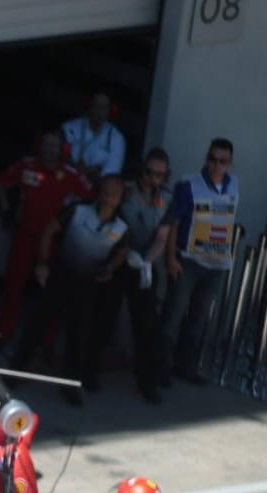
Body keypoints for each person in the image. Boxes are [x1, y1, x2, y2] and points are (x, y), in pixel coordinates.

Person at [22, 174, 130, 404]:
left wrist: (110, 267)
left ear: (121, 199)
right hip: (60, 275)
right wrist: (41, 263)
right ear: (99, 192)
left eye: (115, 194)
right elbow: (49, 231)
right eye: (107, 192)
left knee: (78, 337)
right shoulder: (77, 210)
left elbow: (122, 252)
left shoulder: (122, 227)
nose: (110, 197)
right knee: (36, 325)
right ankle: (16, 371)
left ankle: (71, 385)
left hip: (87, 284)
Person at [156, 137, 238, 383]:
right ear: (206, 159)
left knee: (199, 319)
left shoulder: (234, 185)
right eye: (212, 159)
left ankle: (185, 367)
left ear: (230, 163)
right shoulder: (188, 184)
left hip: (216, 265)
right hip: (187, 260)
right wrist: (170, 258)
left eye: (222, 161)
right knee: (173, 315)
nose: (216, 165)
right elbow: (173, 223)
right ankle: (158, 371)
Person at [0, 131, 92, 338]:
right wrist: (7, 210)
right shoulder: (27, 165)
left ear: (62, 149)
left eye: (54, 146)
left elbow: (91, 199)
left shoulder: (70, 174)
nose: (50, 150)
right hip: (25, 235)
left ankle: (46, 343)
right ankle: (4, 334)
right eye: (46, 145)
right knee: (14, 287)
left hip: (53, 243)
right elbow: (1, 183)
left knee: (52, 293)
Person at [109, 149, 175, 403]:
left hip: (144, 264)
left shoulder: (167, 198)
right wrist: (124, 253)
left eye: (159, 174)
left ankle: (146, 382)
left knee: (147, 326)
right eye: (149, 172)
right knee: (104, 315)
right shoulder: (125, 190)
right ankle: (85, 373)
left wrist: (147, 261)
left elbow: (163, 235)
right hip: (118, 258)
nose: (153, 178)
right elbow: (111, 216)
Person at [61, 92, 127, 183]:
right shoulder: (69, 127)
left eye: (104, 107)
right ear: (89, 106)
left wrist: (84, 172)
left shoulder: (117, 139)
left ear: (110, 110)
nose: (99, 110)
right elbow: (61, 160)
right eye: (96, 105)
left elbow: (110, 176)